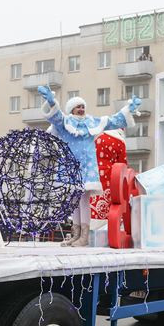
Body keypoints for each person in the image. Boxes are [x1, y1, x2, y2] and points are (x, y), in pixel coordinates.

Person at [38, 85, 140, 247]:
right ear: (71, 110)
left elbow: (113, 120)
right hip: (70, 166)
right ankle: (76, 234)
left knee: (83, 200)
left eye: (83, 106)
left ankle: (84, 237)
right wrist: (51, 102)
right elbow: (55, 117)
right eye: (78, 107)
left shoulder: (92, 122)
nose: (81, 109)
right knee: (73, 201)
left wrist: (129, 109)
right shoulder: (66, 122)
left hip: (87, 167)